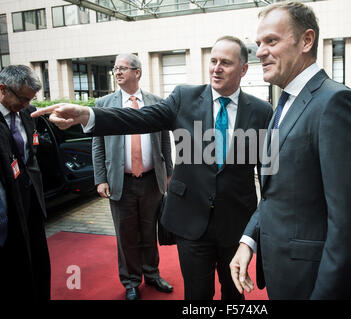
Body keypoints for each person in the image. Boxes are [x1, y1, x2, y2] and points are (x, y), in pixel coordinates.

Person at [31, 36, 273, 300]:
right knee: (197, 295)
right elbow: (138, 118)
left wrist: (255, 232)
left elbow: (271, 178)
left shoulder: (263, 112)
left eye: (225, 63)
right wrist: (89, 115)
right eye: (213, 61)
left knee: (234, 294)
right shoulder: (183, 97)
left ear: (244, 69)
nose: (216, 68)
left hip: (236, 222)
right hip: (190, 222)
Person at [230, 1, 351, 300]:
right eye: (258, 43)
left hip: (313, 284)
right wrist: (248, 240)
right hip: (282, 274)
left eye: (271, 41)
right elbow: (275, 193)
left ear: (306, 41)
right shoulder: (282, 106)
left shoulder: (337, 104)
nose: (259, 52)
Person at [92, 54, 174, 300]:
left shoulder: (155, 102)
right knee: (126, 234)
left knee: (150, 231)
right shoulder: (104, 104)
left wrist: (168, 172)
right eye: (115, 69)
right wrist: (100, 178)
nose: (117, 72)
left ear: (137, 72)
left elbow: (164, 141)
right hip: (121, 182)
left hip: (151, 180)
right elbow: (97, 144)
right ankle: (130, 282)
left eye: (123, 68)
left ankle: (152, 274)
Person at [0, 65, 51, 300]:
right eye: (23, 99)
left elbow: (32, 155)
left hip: (30, 197)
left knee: (38, 258)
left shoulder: (26, 115)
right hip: (6, 205)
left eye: (30, 100)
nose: (26, 105)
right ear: (3, 89)